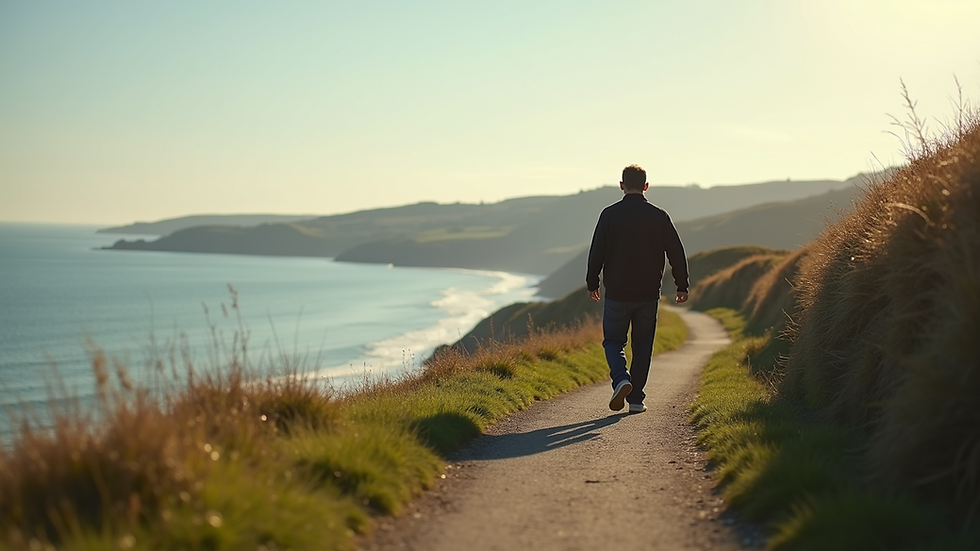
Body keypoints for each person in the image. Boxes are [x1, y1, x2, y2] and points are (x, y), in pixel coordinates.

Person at [586, 164, 690, 413]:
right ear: (646, 186)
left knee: (613, 341)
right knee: (642, 346)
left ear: (622, 185)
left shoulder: (609, 215)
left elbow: (596, 252)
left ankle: (621, 378)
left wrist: (593, 283)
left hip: (618, 294)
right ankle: (636, 400)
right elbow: (676, 252)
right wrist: (681, 285)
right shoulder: (659, 216)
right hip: (647, 295)